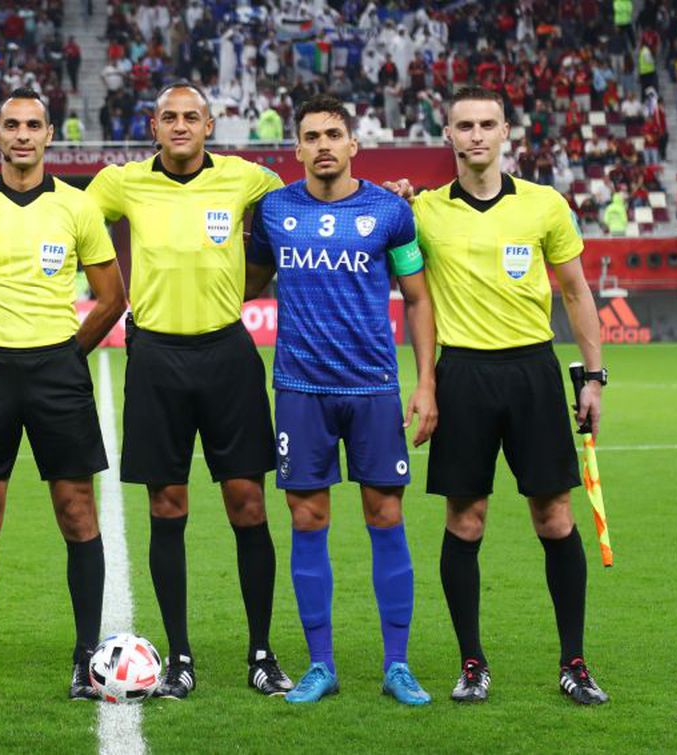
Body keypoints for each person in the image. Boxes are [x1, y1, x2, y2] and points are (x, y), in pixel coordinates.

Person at [398, 86, 608, 705]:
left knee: (555, 517)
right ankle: (472, 663)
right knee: (465, 520)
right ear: (448, 135)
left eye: (487, 124)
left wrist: (594, 378)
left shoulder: (545, 205)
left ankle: (574, 661)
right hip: (463, 374)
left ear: (506, 132)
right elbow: (409, 288)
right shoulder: (423, 211)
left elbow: (576, 292)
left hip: (532, 371)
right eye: (464, 125)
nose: (476, 135)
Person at [85, 82, 292, 698]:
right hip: (156, 358)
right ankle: (179, 656)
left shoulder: (245, 177)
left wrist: (255, 270)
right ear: (153, 127)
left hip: (227, 353)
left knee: (247, 504)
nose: (180, 126)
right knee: (167, 506)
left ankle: (261, 652)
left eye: (191, 117)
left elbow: (297, 207)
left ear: (209, 125)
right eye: (169, 117)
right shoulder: (121, 183)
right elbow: (60, 213)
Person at [0, 88, 127, 702]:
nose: (22, 134)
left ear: (48, 135)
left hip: (56, 371)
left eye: (33, 125)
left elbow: (112, 298)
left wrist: (67, 356)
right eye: (11, 124)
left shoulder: (77, 207)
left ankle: (86, 658)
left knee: (77, 511)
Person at [244, 94, 438, 706]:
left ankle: (397, 665)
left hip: (374, 387)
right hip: (301, 389)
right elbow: (245, 282)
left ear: (353, 144)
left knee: (386, 517)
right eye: (312, 136)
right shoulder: (274, 210)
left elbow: (418, 298)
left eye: (334, 134)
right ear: (297, 149)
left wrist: (425, 382)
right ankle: (320, 665)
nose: (323, 145)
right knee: (307, 520)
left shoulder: (391, 212)